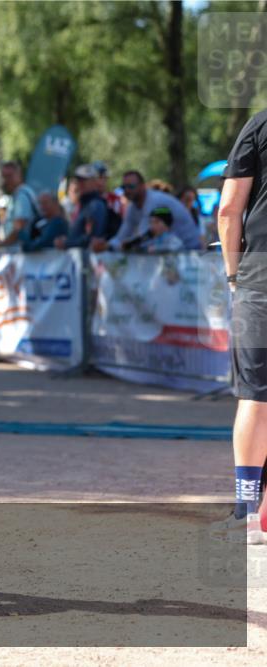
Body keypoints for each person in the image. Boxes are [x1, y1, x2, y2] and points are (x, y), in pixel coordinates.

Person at [211, 109, 267, 544]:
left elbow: (229, 209)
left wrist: (233, 276)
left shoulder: (260, 125)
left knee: (256, 394)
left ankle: (248, 512)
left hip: (260, 278)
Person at [92, 170, 202, 252]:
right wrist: (106, 245)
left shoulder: (154, 201)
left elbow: (145, 238)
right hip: (173, 253)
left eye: (131, 186)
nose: (127, 190)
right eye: (124, 187)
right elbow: (123, 235)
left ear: (142, 186)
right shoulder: (133, 207)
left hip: (189, 252)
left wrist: (118, 246)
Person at [55, 164, 108, 249]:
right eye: (79, 180)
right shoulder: (83, 204)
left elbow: (91, 238)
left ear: (93, 182)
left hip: (87, 256)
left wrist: (67, 243)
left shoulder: (95, 205)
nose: (80, 183)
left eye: (84, 180)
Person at [0, 161, 38, 248]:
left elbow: (19, 227)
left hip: (21, 251)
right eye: (4, 177)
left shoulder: (22, 196)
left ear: (19, 175)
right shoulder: (17, 195)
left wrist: (2, 244)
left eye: (9, 176)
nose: (6, 180)